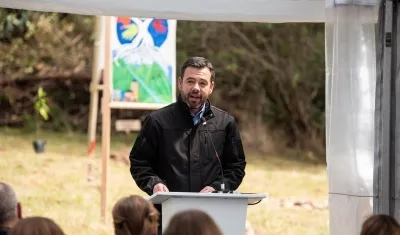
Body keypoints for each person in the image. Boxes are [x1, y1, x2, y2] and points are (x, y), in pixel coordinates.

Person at [129, 56, 246, 233]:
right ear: (180, 83)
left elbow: (236, 168)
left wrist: (218, 188)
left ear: (211, 87)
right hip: (166, 217)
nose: (196, 88)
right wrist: (153, 183)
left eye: (202, 83)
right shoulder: (157, 122)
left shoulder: (226, 123)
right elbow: (139, 162)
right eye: (190, 81)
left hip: (211, 218)